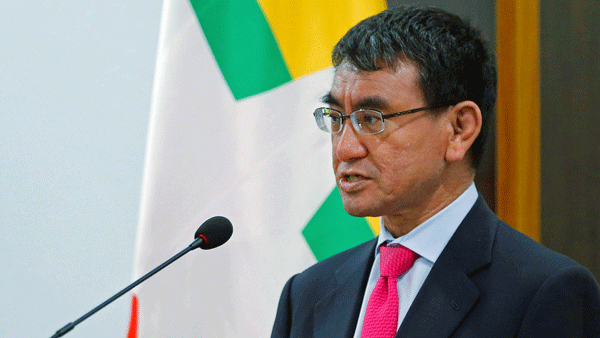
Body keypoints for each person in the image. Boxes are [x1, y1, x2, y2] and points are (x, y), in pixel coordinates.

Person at [271, 5, 600, 338]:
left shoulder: (543, 293)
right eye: (337, 118)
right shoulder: (307, 294)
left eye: (371, 119)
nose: (344, 149)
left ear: (459, 129)